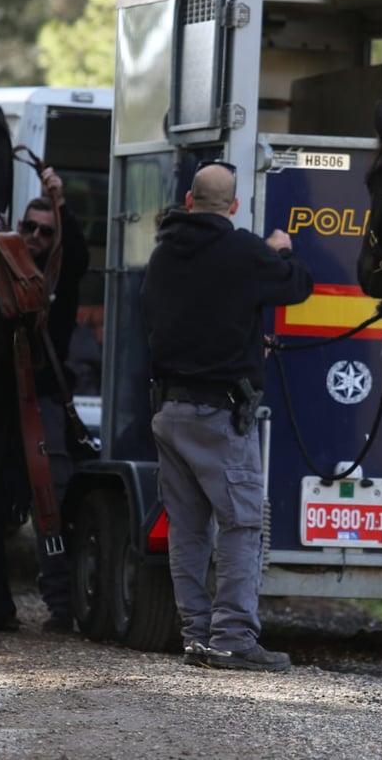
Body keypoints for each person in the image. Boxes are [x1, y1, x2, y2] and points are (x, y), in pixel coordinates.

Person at [139, 159, 313, 671]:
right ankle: (233, 638)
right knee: (240, 525)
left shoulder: (163, 254)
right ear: (233, 207)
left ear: (190, 201)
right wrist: (279, 251)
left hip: (168, 412)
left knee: (188, 530)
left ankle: (197, 636)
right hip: (219, 416)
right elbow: (295, 287)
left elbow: (169, 314)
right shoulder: (244, 251)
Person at [0, 165, 90, 634]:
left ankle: (61, 607)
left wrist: (61, 204)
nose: (34, 236)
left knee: (50, 507)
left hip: (45, 406)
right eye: (28, 228)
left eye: (44, 230)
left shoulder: (62, 274)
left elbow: (73, 252)